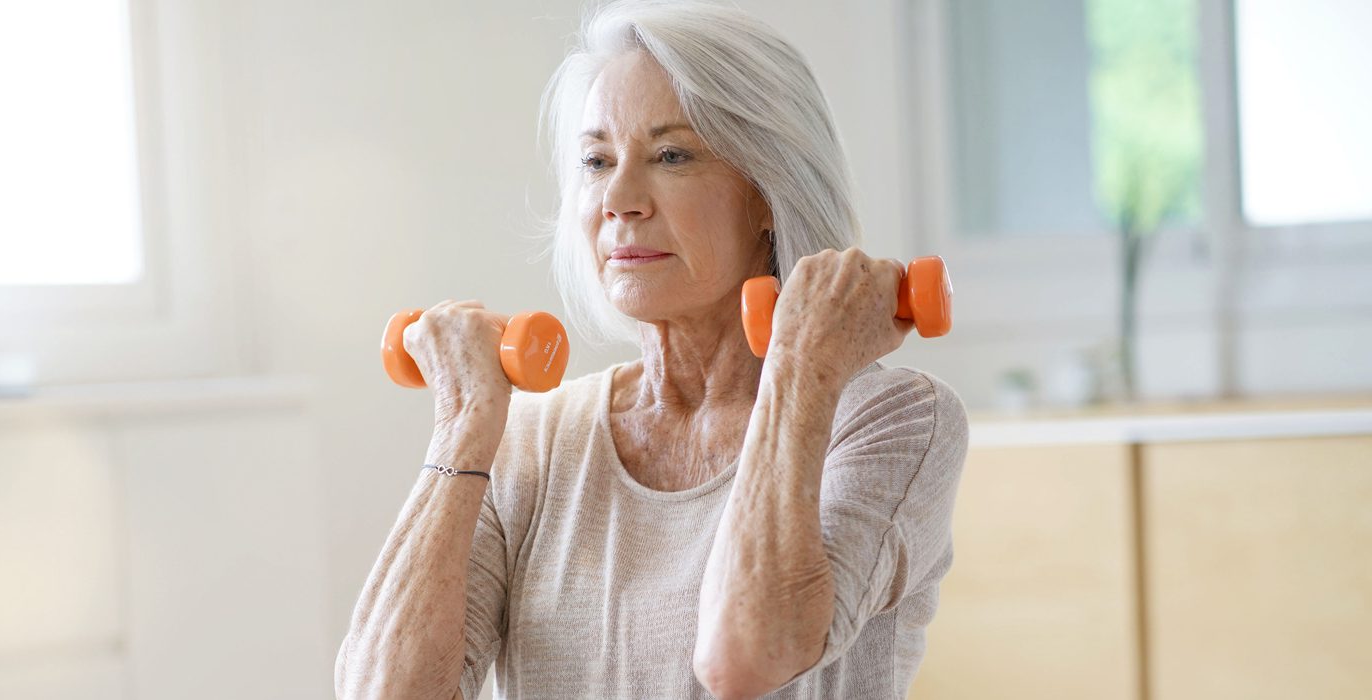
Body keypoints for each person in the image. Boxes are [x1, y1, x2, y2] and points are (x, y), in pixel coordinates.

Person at [335, 1, 968, 698]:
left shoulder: (893, 421)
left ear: (768, 192)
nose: (620, 198)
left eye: (671, 155)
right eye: (597, 160)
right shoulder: (538, 440)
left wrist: (803, 363)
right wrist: (463, 424)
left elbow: (745, 661)